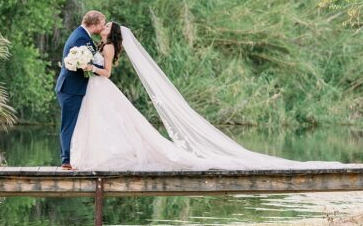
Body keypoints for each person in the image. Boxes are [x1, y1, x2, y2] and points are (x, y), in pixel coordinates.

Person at [69, 22, 339, 171]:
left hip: (101, 85)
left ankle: (99, 158)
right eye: (102, 25)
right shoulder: (102, 44)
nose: (103, 27)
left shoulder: (110, 48)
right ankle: (95, 157)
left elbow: (107, 73)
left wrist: (90, 66)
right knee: (106, 124)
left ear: (111, 33)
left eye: (106, 26)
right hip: (95, 90)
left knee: (114, 122)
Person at [56, 11, 106, 169]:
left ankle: (73, 158)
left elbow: (89, 61)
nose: (103, 27)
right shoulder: (80, 37)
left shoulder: (82, 35)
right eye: (101, 24)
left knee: (75, 124)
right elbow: (83, 63)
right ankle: (66, 160)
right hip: (70, 88)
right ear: (93, 24)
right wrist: (99, 68)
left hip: (74, 88)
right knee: (69, 124)